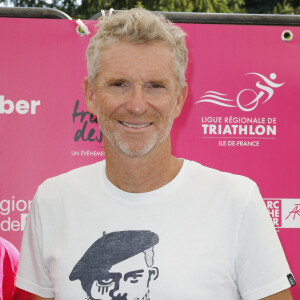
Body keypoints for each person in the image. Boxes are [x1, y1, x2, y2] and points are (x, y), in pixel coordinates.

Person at [15, 8, 295, 300]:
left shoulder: (237, 201)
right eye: (119, 84)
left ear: (179, 99)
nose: (137, 105)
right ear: (91, 95)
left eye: (155, 86)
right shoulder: (52, 201)